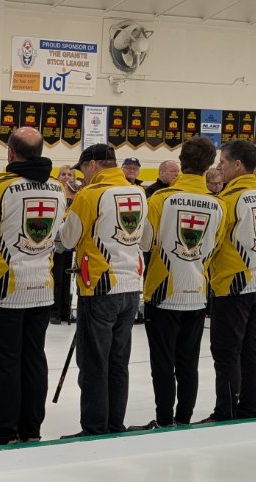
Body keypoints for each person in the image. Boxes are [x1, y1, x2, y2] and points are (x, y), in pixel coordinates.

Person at [0, 127, 66, 448]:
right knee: (34, 359)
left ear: (10, 153)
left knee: (5, 363)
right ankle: (30, 429)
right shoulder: (58, 188)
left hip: (3, 290)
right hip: (42, 288)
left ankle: (5, 431)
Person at [132, 137, 224, 430]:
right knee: (189, 362)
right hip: (197, 291)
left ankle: (162, 420)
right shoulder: (218, 205)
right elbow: (216, 245)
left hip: (163, 291)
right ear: (209, 165)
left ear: (181, 160)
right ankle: (184, 419)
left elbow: (145, 241)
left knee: (162, 363)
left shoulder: (159, 199)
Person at [61, 144, 145, 437]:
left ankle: (95, 427)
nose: (82, 174)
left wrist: (70, 206)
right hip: (131, 286)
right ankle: (114, 424)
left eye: (83, 168)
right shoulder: (138, 192)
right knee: (118, 362)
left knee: (94, 362)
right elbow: (142, 238)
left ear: (93, 164)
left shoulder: (89, 195)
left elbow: (68, 238)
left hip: (98, 286)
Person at [205, 140, 256, 421]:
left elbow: (213, 242)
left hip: (234, 282)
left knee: (226, 352)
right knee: (252, 350)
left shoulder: (228, 200)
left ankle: (226, 411)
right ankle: (249, 408)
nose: (219, 167)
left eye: (223, 162)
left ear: (237, 165)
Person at [51, 165, 80, 325]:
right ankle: (54, 310)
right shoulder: (55, 192)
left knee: (69, 277)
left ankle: (66, 310)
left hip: (71, 240)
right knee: (57, 277)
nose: (67, 177)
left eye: (70, 174)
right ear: (58, 176)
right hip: (56, 241)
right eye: (63, 174)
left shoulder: (78, 193)